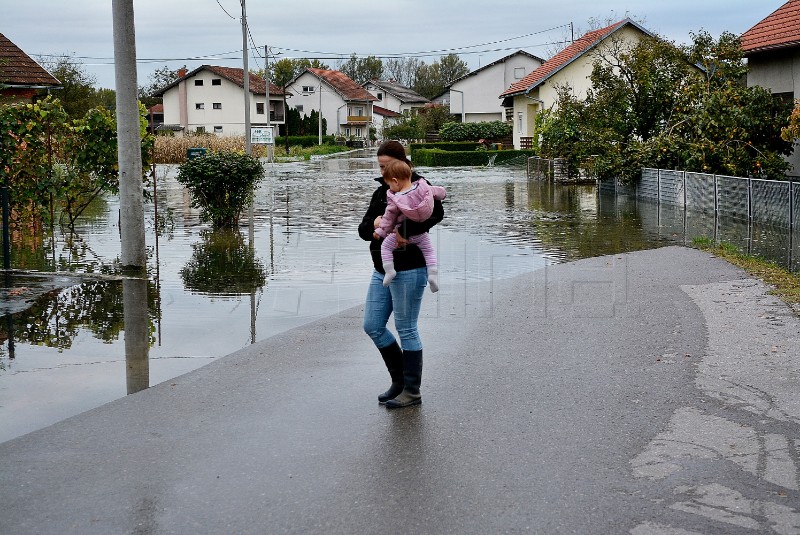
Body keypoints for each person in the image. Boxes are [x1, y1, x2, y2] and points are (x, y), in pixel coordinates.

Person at [358, 141, 444, 408]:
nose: (382, 172)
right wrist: (373, 224)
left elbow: (434, 214)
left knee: (406, 328)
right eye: (380, 167)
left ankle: (412, 391)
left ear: (402, 164)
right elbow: (363, 230)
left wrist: (401, 231)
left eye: (385, 166)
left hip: (410, 269)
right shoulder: (381, 192)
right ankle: (398, 383)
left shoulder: (421, 188)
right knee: (372, 325)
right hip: (381, 269)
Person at [373, 159, 446, 292]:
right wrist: (443, 193)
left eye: (390, 184)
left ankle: (390, 271)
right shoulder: (423, 187)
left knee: (385, 247)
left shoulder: (396, 198)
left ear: (395, 181)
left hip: (398, 235)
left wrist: (381, 231)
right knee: (429, 252)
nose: (389, 188)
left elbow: (389, 218)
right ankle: (433, 275)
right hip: (421, 233)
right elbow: (439, 192)